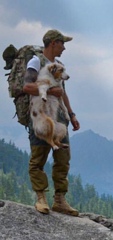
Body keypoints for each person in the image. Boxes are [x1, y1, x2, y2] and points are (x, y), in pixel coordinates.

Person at [23, 29, 80, 216]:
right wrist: (48, 90)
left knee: (63, 157)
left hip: (58, 116)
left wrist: (71, 115)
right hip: (40, 114)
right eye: (62, 43)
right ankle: (41, 198)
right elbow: (27, 86)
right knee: (38, 158)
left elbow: (62, 92)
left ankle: (60, 200)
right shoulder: (35, 62)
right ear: (53, 42)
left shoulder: (59, 65)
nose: (64, 47)